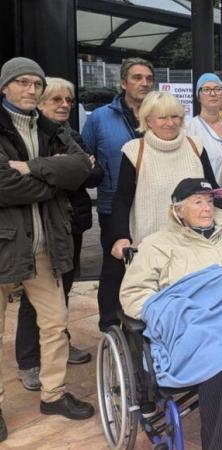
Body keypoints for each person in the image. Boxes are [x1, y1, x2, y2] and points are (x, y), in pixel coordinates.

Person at [120, 178, 222, 450]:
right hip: (195, 325)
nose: (207, 208)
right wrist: (171, 311)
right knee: (215, 354)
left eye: (210, 201)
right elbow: (133, 293)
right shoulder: (157, 244)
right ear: (178, 210)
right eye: (198, 202)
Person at [0, 57, 95, 441]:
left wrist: (30, 166)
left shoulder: (54, 129)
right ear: (5, 87)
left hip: (45, 246)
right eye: (22, 82)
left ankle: (53, 393)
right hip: (5, 246)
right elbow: (3, 185)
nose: (30, 90)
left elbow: (81, 168)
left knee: (55, 325)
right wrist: (53, 180)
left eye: (35, 84)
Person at [15, 77, 101, 392]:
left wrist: (39, 169)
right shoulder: (26, 137)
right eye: (56, 100)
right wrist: (62, 170)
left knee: (61, 292)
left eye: (68, 100)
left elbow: (94, 173)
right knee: (32, 298)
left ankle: (59, 346)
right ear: (40, 102)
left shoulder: (70, 135)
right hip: (36, 229)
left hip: (71, 224)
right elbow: (18, 182)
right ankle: (28, 361)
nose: (64, 105)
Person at [81, 57, 155, 331]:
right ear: (123, 82)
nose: (144, 83)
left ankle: (142, 320)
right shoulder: (100, 118)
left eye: (148, 78)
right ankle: (110, 324)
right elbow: (85, 155)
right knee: (114, 267)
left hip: (152, 205)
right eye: (137, 77)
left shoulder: (157, 115)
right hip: (114, 205)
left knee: (149, 265)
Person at [109, 91, 221, 262]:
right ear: (148, 120)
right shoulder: (134, 151)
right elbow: (122, 199)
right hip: (150, 248)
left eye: (175, 116)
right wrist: (121, 236)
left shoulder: (196, 147)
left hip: (195, 247)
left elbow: (213, 191)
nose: (170, 123)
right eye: (162, 117)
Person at [187, 73, 222, 186]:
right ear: (198, 96)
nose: (213, 93)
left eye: (217, 89)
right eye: (206, 89)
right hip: (207, 197)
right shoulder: (190, 129)